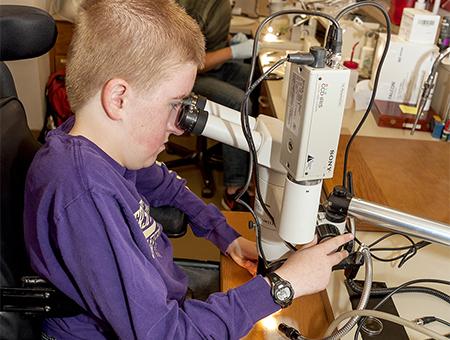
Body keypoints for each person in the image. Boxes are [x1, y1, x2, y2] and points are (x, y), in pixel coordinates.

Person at [24, 0, 353, 339]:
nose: (179, 126)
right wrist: (283, 286)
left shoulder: (102, 147)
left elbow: (170, 189)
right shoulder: (83, 191)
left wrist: (227, 237)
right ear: (119, 98)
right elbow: (166, 334)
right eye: (173, 104)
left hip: (163, 307)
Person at [176, 0, 257, 211]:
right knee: (239, 102)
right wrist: (233, 52)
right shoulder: (190, 8)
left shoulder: (220, 4)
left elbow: (213, 36)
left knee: (260, 78)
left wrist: (230, 42)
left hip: (217, 66)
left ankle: (234, 152)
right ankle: (234, 188)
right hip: (191, 76)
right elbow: (188, 62)